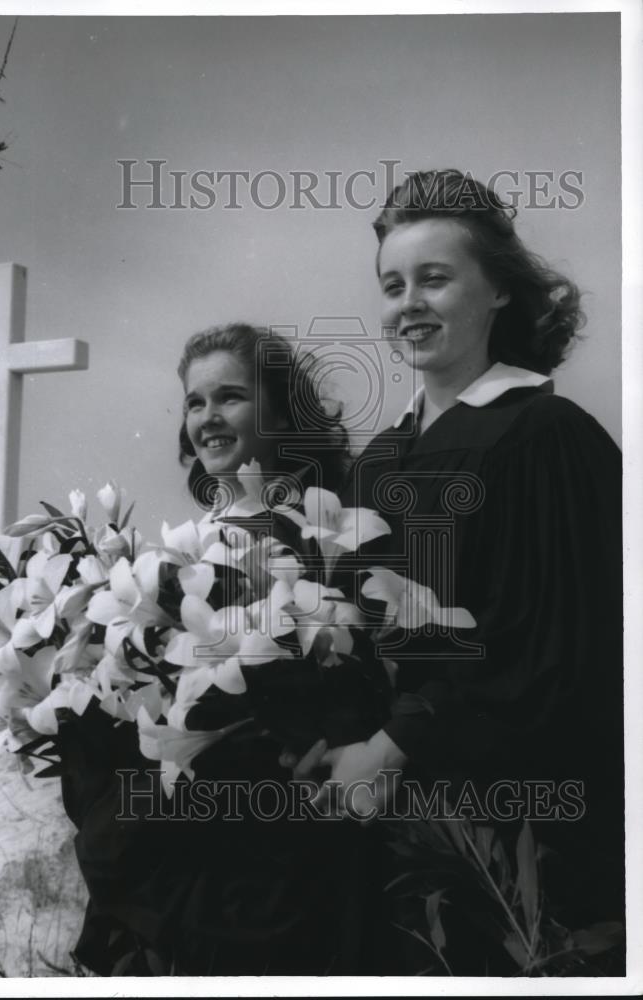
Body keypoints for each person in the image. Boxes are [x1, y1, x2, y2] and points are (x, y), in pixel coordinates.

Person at [289, 169, 624, 970]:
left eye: (434, 279)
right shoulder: (377, 464)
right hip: (384, 832)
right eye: (392, 284)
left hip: (515, 836)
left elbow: (561, 657)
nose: (408, 303)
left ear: (498, 291)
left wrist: (396, 745)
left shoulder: (547, 437)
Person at [59, 323, 390, 975]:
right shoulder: (182, 543)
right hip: (179, 835)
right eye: (194, 402)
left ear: (279, 410)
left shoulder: (325, 530)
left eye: (229, 397)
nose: (207, 418)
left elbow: (361, 674)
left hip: (268, 858)